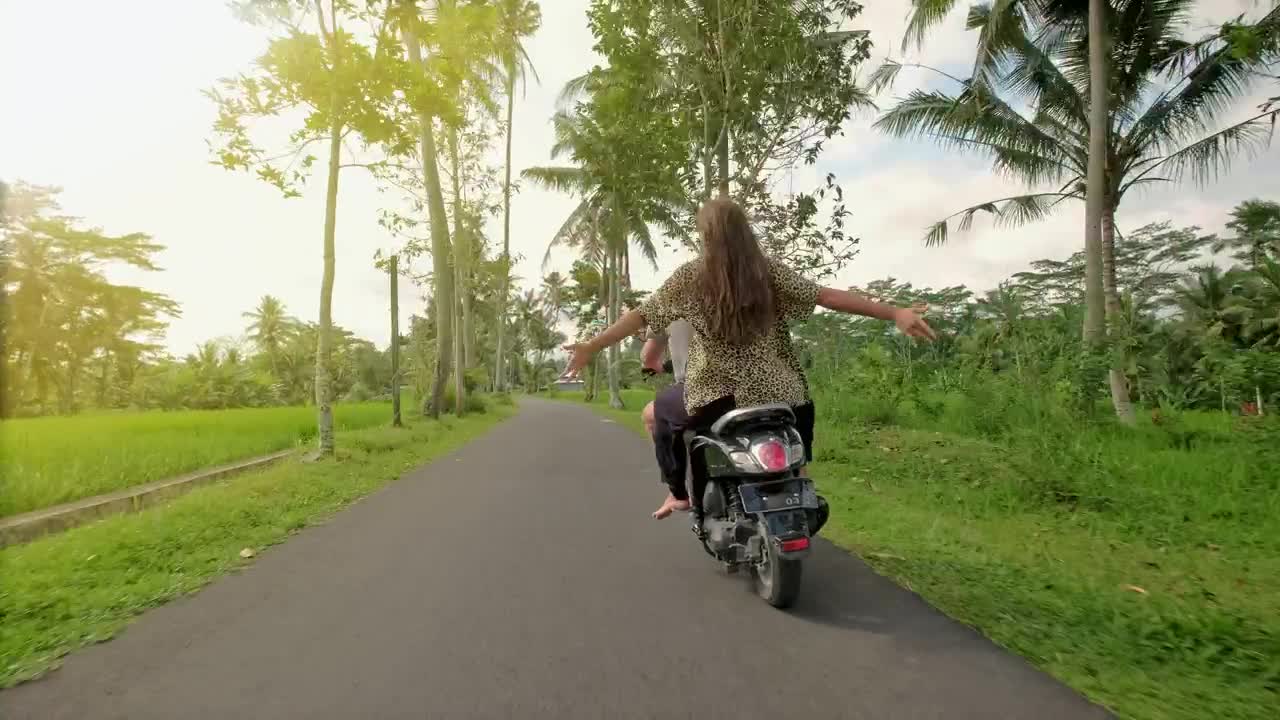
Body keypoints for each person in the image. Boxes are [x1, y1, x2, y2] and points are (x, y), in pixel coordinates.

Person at [563, 197, 935, 519]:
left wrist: (591, 346)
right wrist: (894, 313)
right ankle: (799, 501)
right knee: (797, 462)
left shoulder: (690, 276)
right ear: (745, 231)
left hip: (715, 395)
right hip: (784, 394)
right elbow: (827, 297)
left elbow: (640, 316)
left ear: (705, 235)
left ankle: (679, 493)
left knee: (661, 411)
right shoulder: (766, 271)